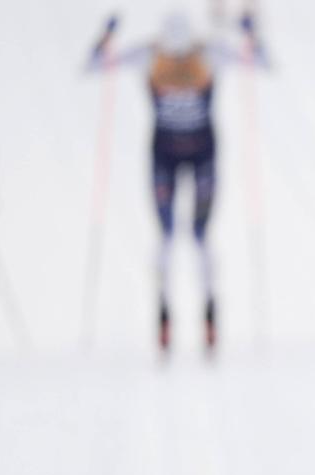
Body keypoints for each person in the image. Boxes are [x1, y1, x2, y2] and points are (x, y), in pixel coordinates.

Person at [88, 11, 263, 353]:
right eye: (174, 57)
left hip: (202, 156)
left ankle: (210, 313)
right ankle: (164, 316)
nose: (179, 62)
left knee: (200, 236)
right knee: (166, 237)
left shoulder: (208, 53)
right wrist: (104, 38)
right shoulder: (151, 54)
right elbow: (97, 65)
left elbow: (258, 61)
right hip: (164, 157)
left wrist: (251, 36)